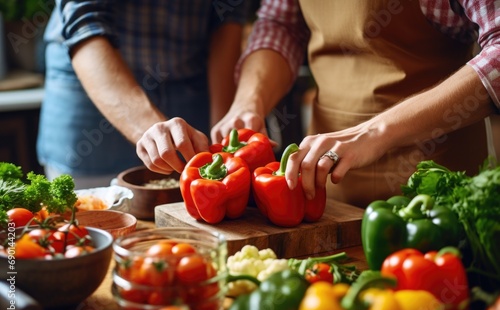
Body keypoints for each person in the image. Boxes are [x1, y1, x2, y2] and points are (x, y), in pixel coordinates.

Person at [205, 0, 500, 208]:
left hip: (437, 193)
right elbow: (281, 24)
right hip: (328, 194)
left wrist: (376, 131)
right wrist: (249, 101)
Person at [37, 0, 247, 189]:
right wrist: (151, 131)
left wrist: (223, 137)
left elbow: (227, 19)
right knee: (93, 217)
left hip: (191, 90)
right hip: (95, 92)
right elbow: (85, 23)